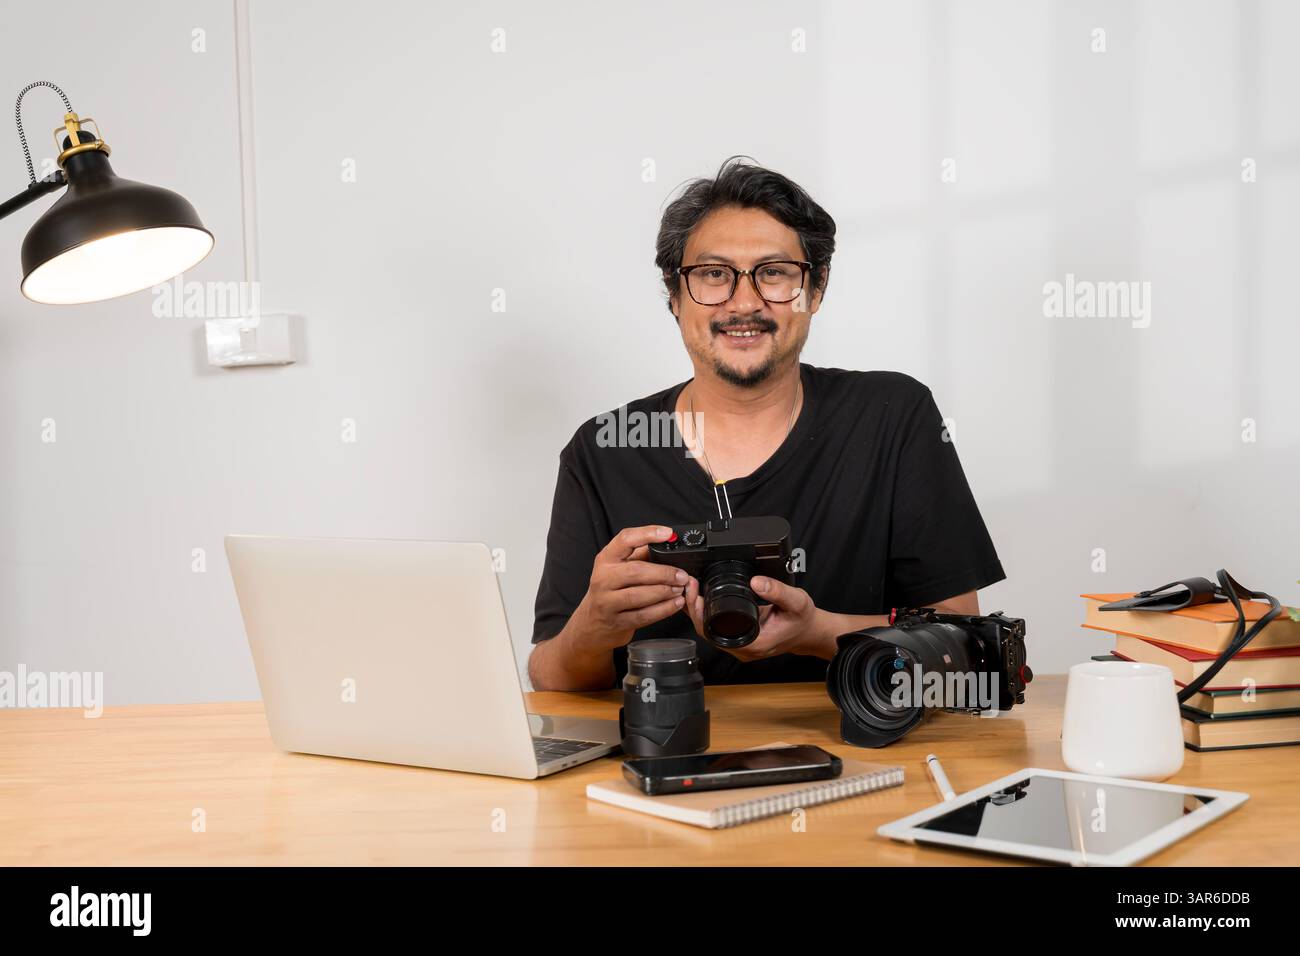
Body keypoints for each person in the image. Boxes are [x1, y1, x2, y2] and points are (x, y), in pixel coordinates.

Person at [529, 156, 1004, 691]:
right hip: (664, 737)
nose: (744, 303)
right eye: (714, 274)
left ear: (816, 289)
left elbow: (964, 651)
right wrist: (592, 629)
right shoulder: (604, 450)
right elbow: (552, 679)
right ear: (674, 294)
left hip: (855, 737)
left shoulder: (891, 416)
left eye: (774, 273)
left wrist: (817, 632)